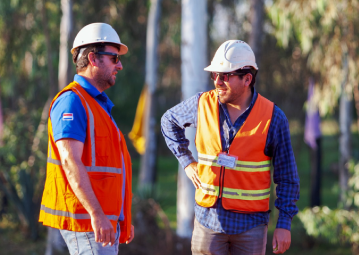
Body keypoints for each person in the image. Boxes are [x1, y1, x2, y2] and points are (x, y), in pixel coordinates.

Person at [161, 40, 300, 255]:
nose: (217, 81)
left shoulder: (273, 117)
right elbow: (168, 121)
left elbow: (287, 176)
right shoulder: (201, 104)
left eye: (224, 76)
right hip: (207, 223)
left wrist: (284, 223)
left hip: (251, 227)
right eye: (214, 75)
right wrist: (187, 162)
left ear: (247, 79)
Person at [39, 23, 134, 255]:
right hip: (89, 223)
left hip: (101, 223)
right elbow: (71, 162)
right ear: (93, 58)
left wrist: (121, 216)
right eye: (114, 58)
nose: (119, 65)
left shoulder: (97, 104)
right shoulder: (72, 102)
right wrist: (97, 215)